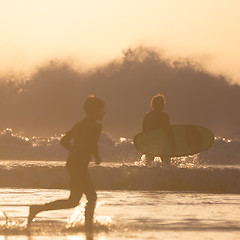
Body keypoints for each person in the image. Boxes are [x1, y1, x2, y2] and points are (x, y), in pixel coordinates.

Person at [27, 95, 105, 232]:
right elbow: (93, 144)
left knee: (74, 201)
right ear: (93, 110)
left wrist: (75, 151)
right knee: (91, 197)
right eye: (101, 110)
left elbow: (64, 140)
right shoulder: (95, 126)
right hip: (78, 165)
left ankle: (37, 209)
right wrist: (96, 156)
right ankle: (88, 228)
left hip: (73, 163)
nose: (103, 112)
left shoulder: (80, 124)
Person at [142, 93, 175, 166]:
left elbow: (144, 132)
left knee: (148, 165)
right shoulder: (164, 116)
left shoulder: (148, 116)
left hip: (151, 143)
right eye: (162, 104)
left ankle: (146, 176)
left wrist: (143, 145)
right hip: (162, 144)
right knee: (167, 165)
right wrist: (172, 143)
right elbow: (168, 131)